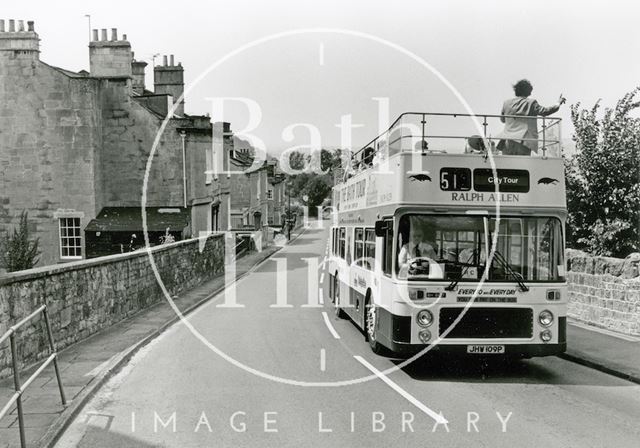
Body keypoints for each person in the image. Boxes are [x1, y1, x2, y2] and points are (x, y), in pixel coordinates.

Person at [497, 79, 566, 155]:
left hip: (507, 142)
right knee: (522, 165)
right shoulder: (531, 103)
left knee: (508, 166)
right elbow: (545, 111)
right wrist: (558, 103)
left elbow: (503, 120)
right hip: (523, 141)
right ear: (528, 91)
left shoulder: (506, 103)